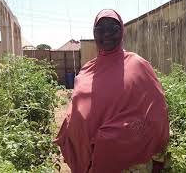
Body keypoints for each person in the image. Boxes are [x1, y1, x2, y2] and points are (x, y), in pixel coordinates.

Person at [54, 9, 169, 173]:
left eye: (113, 28)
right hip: (89, 160)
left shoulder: (137, 65)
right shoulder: (88, 69)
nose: (106, 34)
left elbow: (156, 111)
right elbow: (77, 106)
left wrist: (158, 156)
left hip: (129, 162)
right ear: (94, 33)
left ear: (121, 31)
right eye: (100, 29)